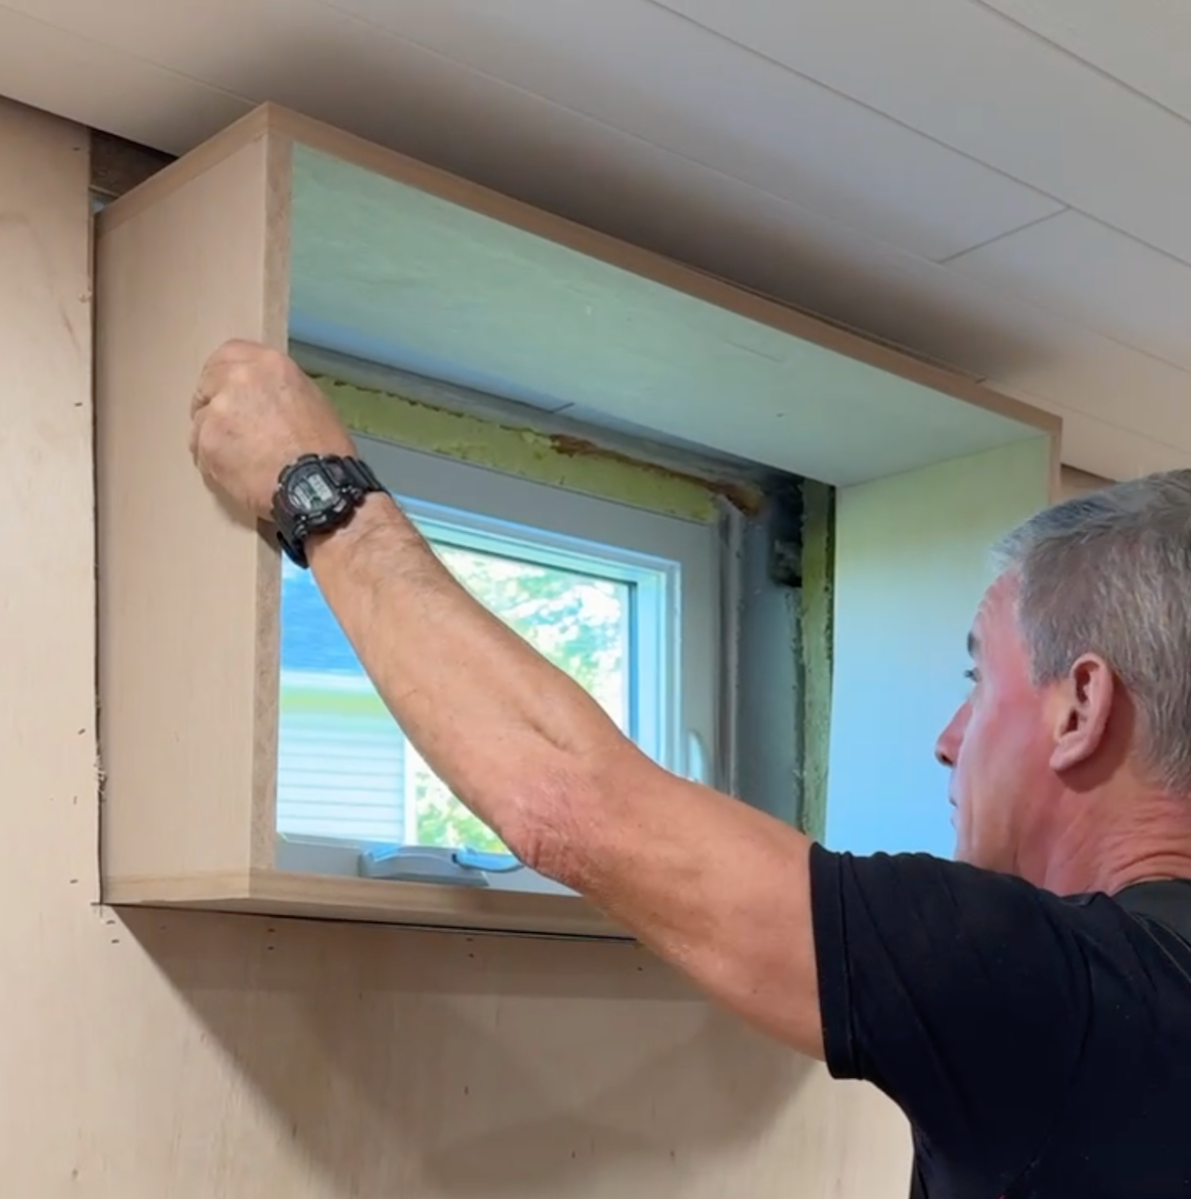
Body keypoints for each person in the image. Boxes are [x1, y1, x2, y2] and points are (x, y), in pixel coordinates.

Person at [188, 339, 1191, 1199]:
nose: (948, 734)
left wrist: (312, 484)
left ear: (1080, 706)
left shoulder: (1061, 995)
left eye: (980, 678)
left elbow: (568, 800)